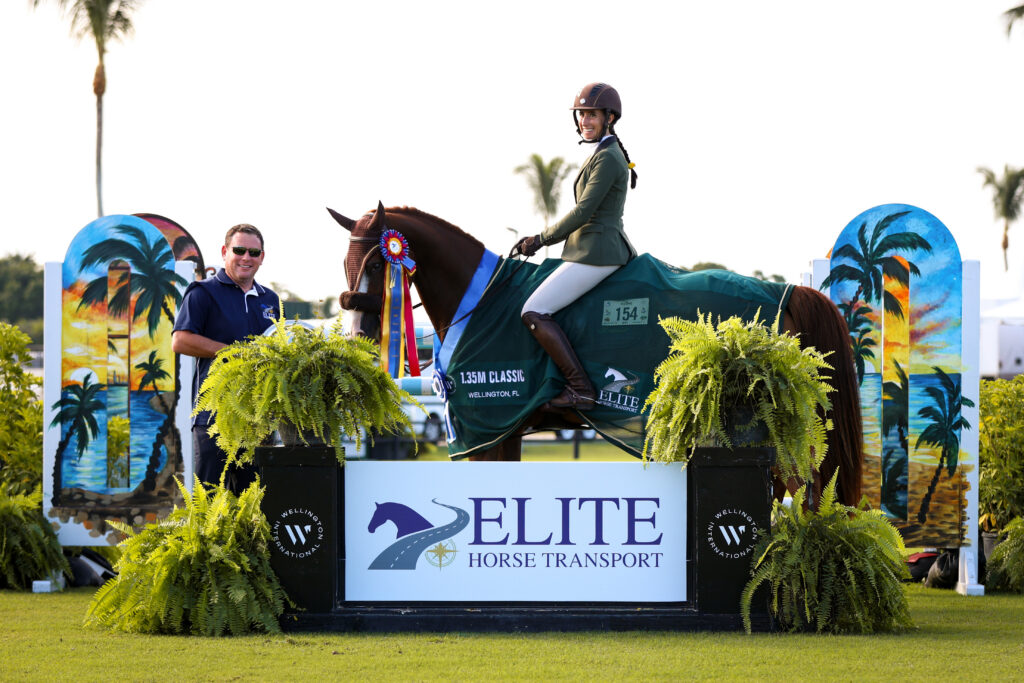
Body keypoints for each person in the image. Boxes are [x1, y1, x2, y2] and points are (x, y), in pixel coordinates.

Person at [513, 82, 638, 410]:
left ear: (609, 118)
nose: (585, 120)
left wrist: (541, 239)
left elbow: (585, 211)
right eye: (582, 114)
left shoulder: (609, 158)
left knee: (533, 310)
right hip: (587, 249)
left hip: (598, 251)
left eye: (592, 115)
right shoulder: (602, 154)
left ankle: (580, 388)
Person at [172, 224, 280, 492]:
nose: (246, 258)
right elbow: (180, 340)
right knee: (209, 506)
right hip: (213, 418)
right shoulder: (203, 292)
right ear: (224, 252)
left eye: (253, 252)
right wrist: (234, 353)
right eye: (239, 250)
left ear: (262, 257)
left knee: (256, 506)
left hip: (259, 420)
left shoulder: (271, 299)